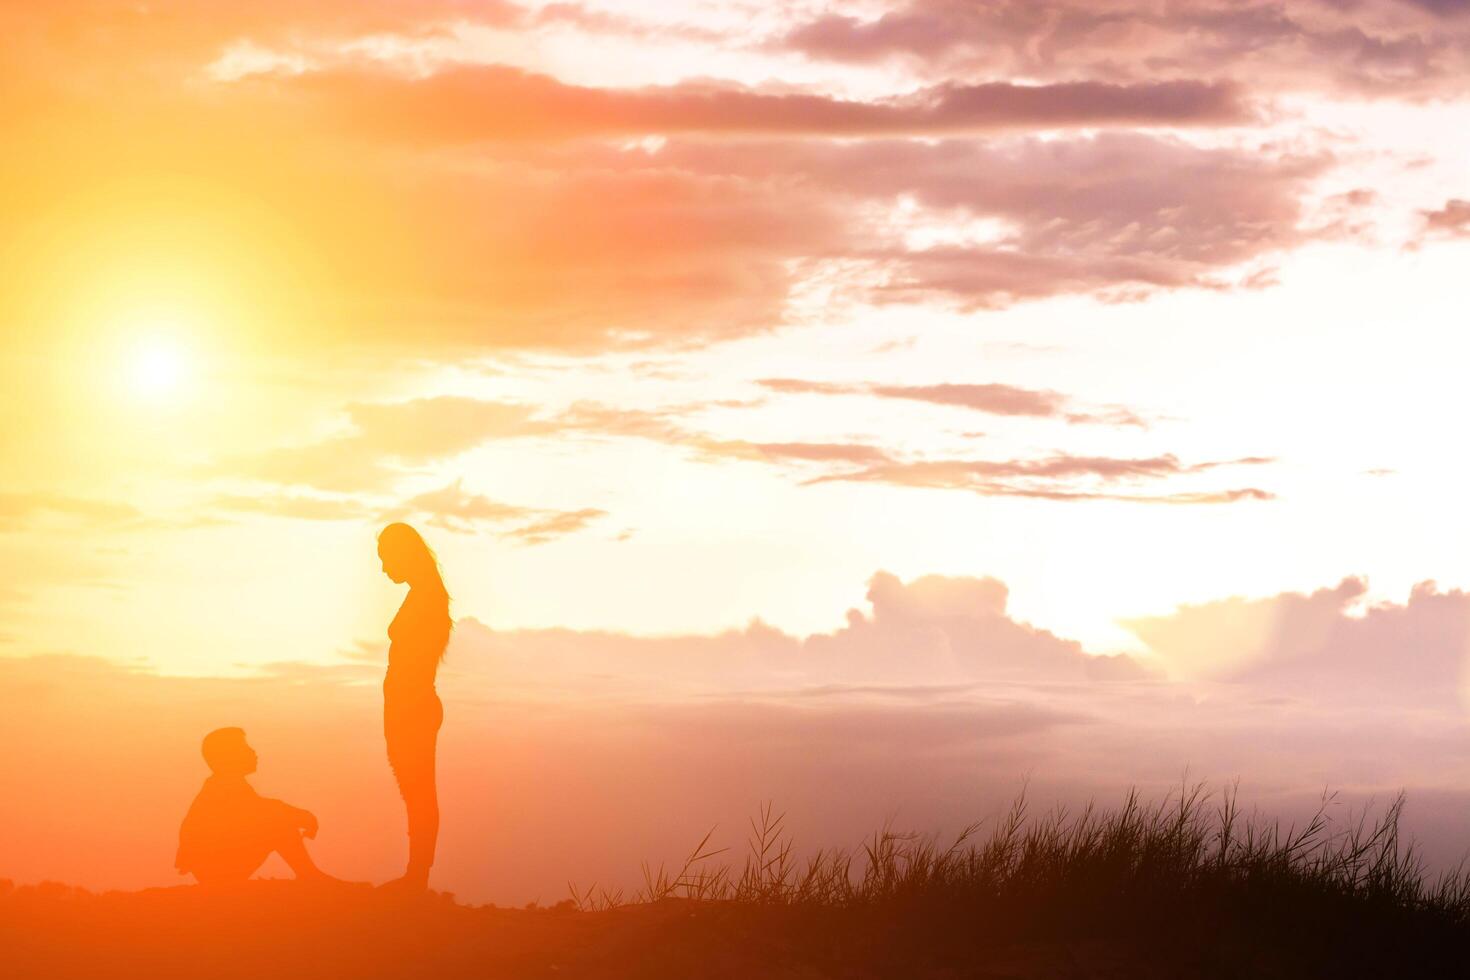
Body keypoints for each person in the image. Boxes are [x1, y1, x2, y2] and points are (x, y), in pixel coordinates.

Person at [377, 522, 452, 892]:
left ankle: (416, 879)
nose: (384, 569)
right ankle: (415, 876)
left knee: (419, 792)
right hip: (410, 706)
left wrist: (402, 707)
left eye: (386, 559)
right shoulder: (425, 593)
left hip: (414, 708)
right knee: (415, 792)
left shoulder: (426, 597)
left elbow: (416, 662)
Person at [175, 727, 330, 885]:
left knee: (278, 819)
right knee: (279, 824)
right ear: (229, 756)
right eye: (244, 748)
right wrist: (301, 816)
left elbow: (258, 809)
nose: (253, 752)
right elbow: (260, 810)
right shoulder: (222, 785)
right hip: (215, 866)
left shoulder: (227, 784)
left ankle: (309, 873)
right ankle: (309, 874)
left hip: (215, 864)